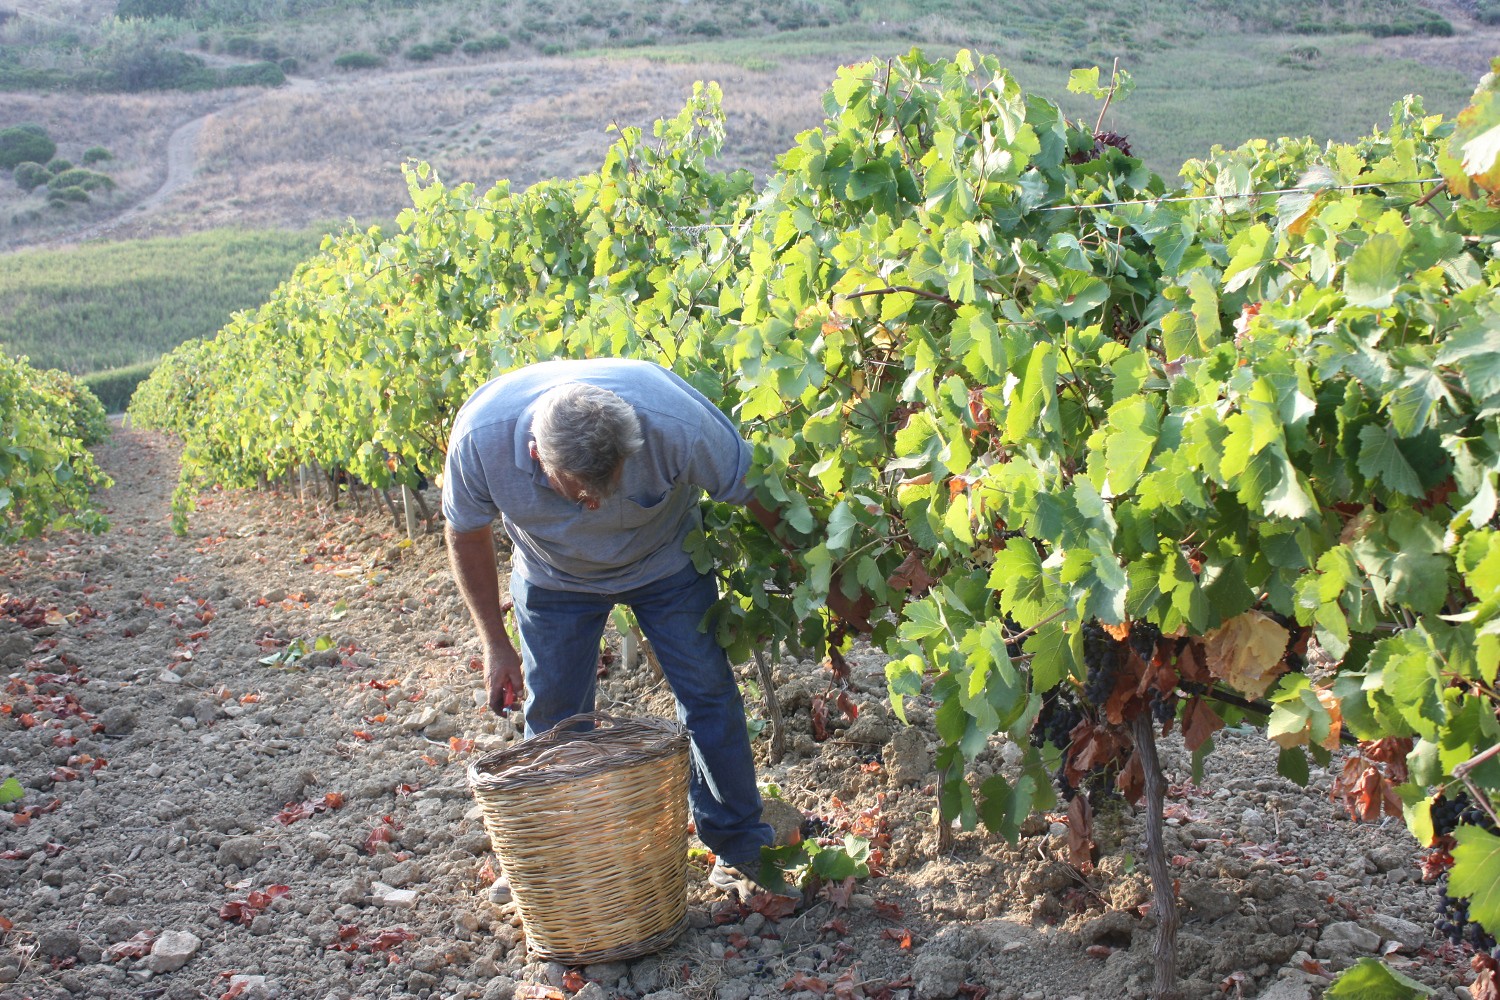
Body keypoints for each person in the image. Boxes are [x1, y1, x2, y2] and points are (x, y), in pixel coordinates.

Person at [442, 357, 867, 902]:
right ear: (534, 456)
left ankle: (739, 848)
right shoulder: (482, 438)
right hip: (552, 579)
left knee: (709, 694)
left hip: (666, 566)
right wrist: (495, 643)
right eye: (580, 496)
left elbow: (760, 495)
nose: (595, 506)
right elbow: (466, 533)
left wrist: (834, 588)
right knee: (553, 720)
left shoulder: (673, 421)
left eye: (609, 489)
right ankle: (555, 860)